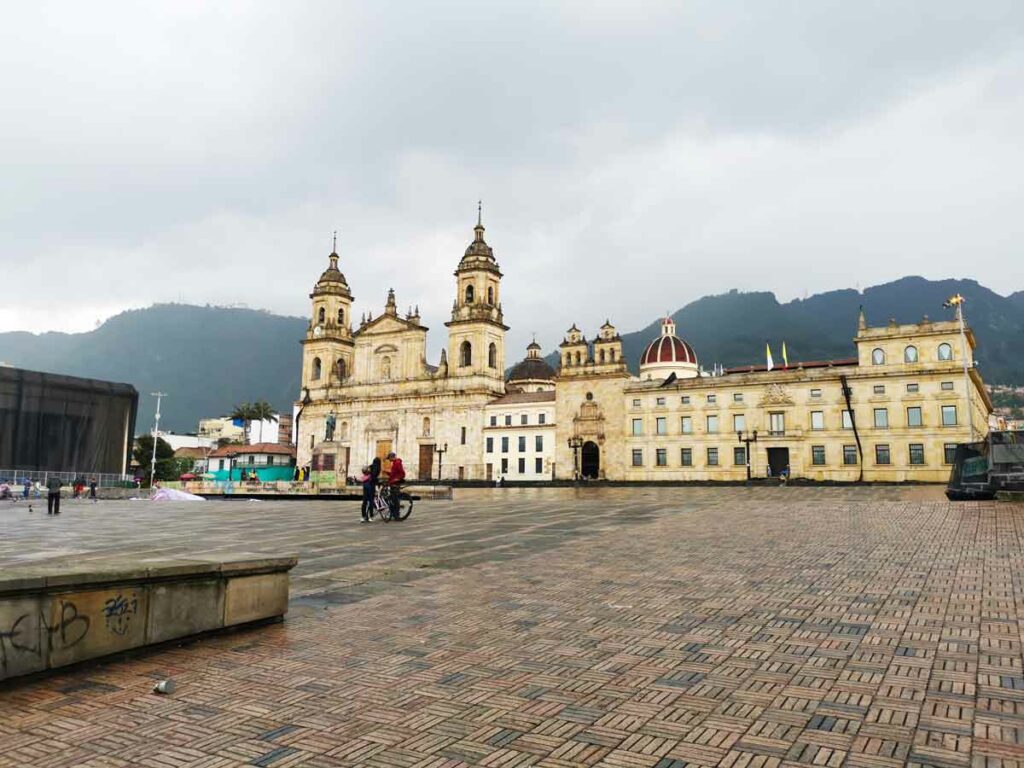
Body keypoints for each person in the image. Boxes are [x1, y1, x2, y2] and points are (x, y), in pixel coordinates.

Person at [385, 451, 405, 520]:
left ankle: (397, 515)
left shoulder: (397, 463)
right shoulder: (394, 463)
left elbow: (402, 473)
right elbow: (393, 474)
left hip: (395, 484)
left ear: (392, 457)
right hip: (392, 483)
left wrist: (397, 479)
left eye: (389, 458)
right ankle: (392, 513)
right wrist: (387, 473)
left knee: (395, 499)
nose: (389, 460)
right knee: (392, 499)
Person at [360, 457, 381, 522]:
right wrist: (378, 483)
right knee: (371, 501)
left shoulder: (370, 466)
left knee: (365, 501)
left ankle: (363, 516)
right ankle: (370, 516)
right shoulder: (377, 467)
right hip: (371, 485)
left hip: (365, 484)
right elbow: (374, 476)